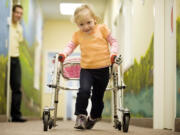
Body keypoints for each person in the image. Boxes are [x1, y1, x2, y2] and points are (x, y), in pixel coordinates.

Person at [58, 4, 118, 129]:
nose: (85, 27)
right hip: (86, 69)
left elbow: (113, 42)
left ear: (94, 19)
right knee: (83, 91)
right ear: (77, 24)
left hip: (103, 69)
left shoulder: (102, 29)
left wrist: (113, 53)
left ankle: (94, 116)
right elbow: (71, 45)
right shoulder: (78, 35)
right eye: (81, 24)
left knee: (97, 97)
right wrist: (64, 54)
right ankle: (81, 116)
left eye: (88, 22)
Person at [9, 4, 26, 122]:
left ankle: (16, 115)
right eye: (17, 12)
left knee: (17, 87)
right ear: (12, 12)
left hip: (15, 58)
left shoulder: (20, 28)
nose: (19, 15)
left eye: (21, 13)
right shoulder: (6, 24)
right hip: (6, 57)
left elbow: (20, 42)